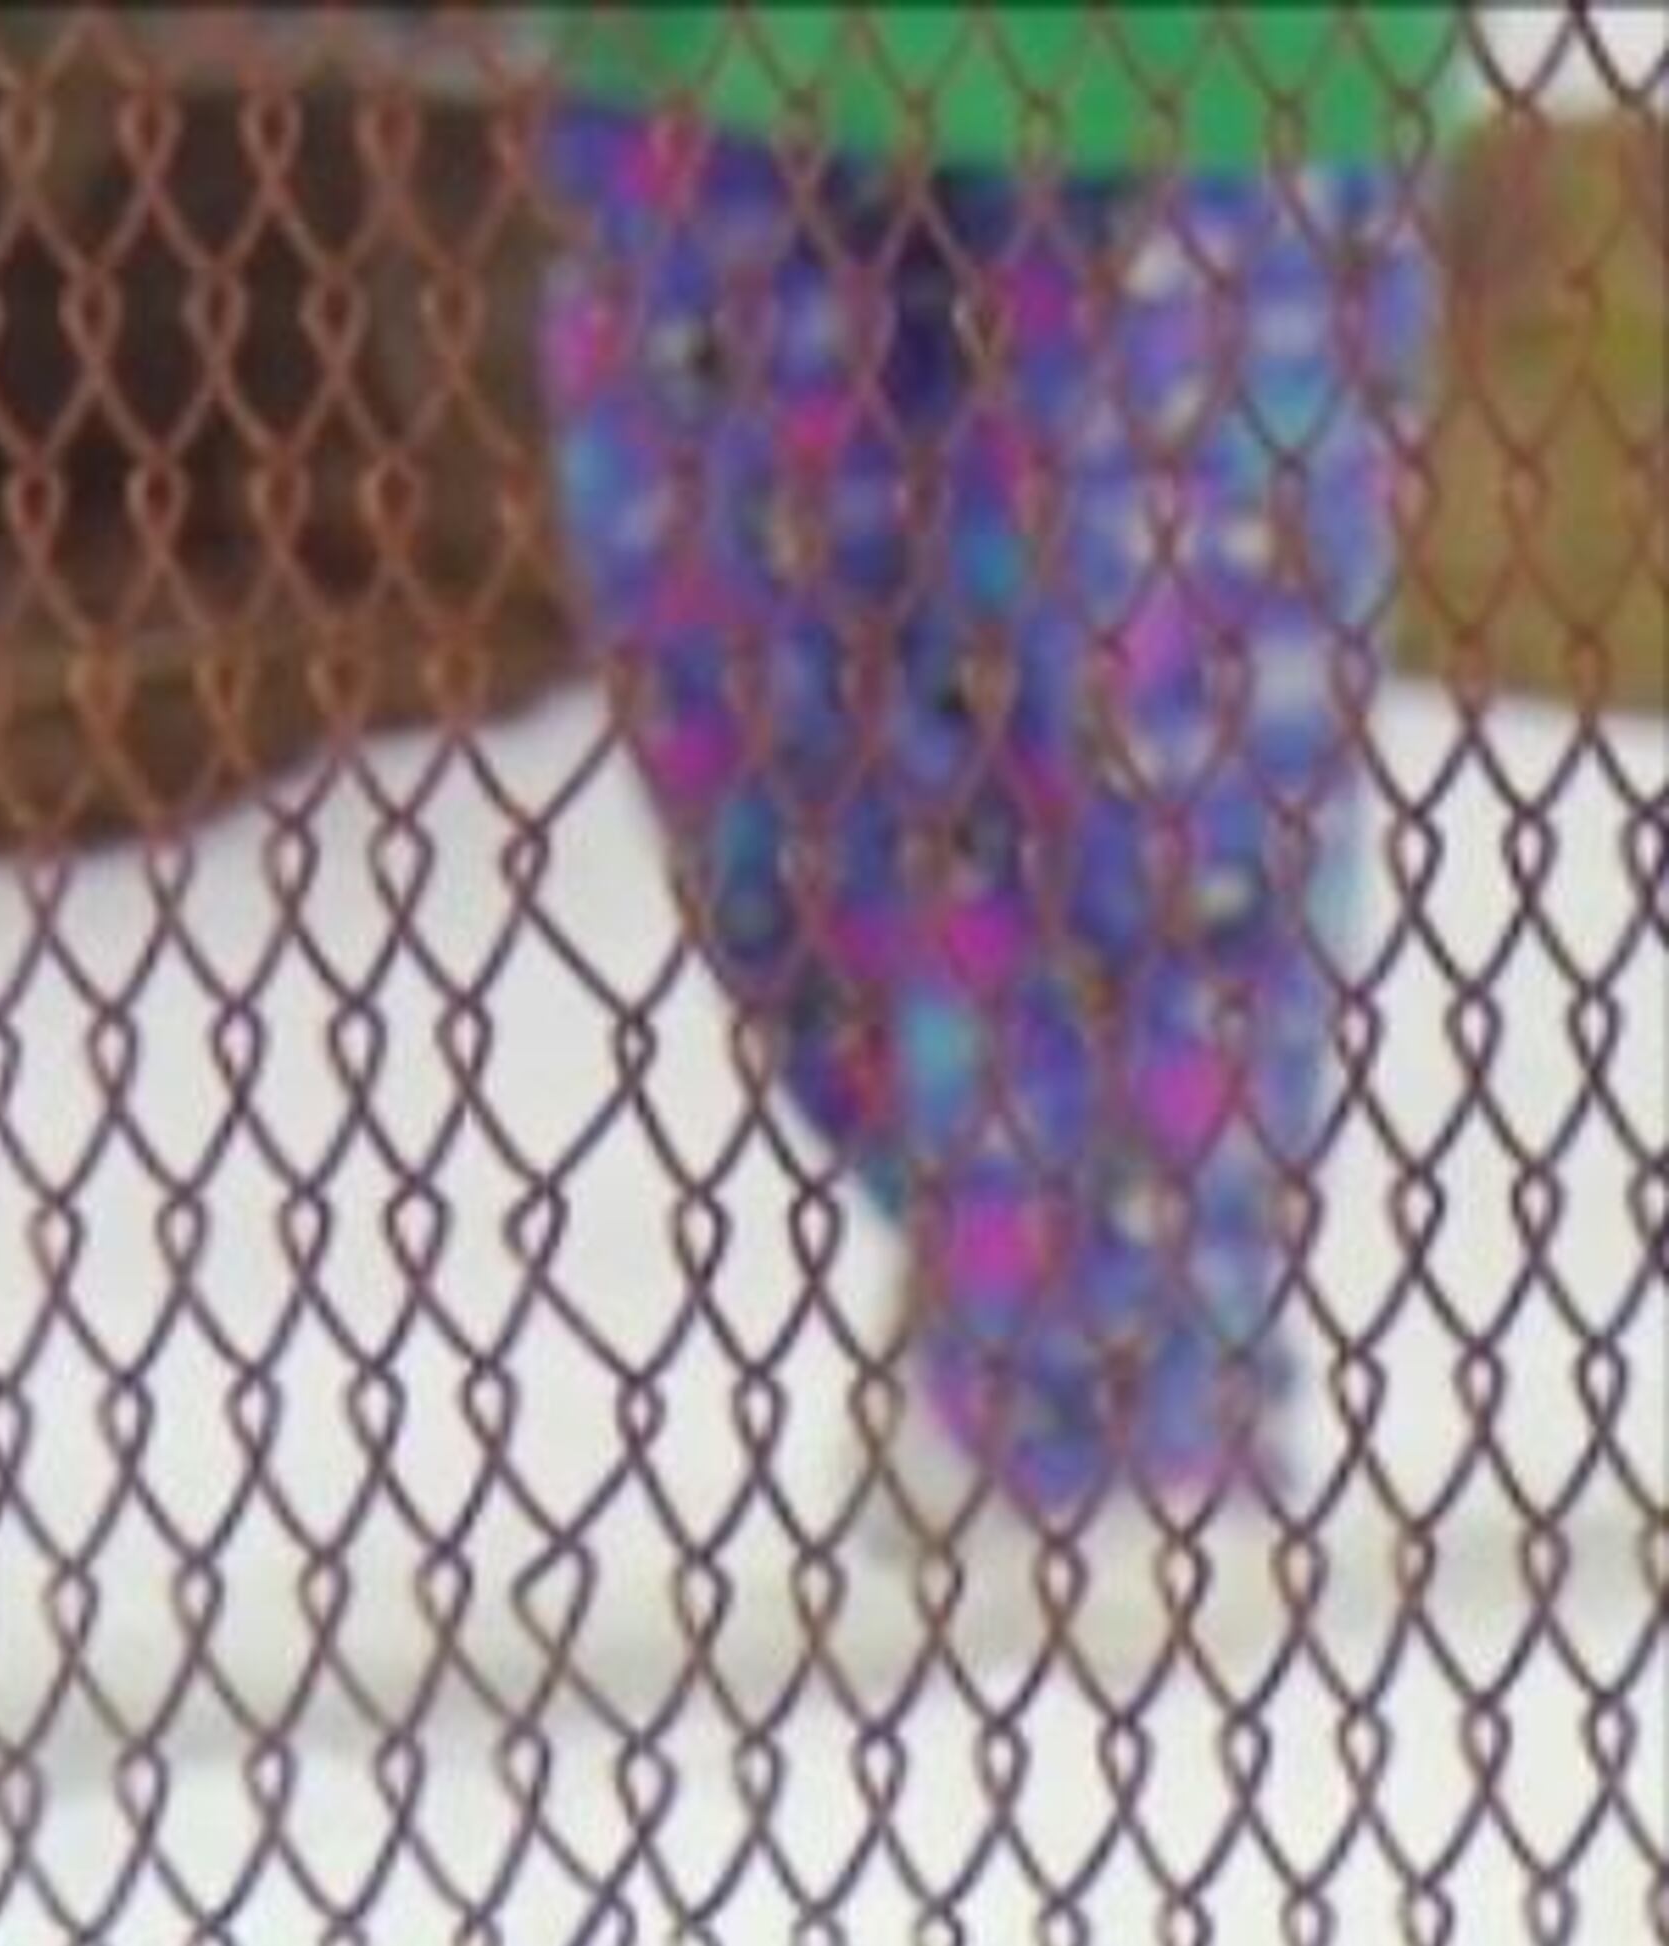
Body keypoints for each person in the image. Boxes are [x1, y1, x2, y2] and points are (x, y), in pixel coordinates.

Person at [527, 10, 1463, 1545]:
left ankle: (1112, 1420)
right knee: (745, 684)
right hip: (704, 55)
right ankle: (1018, 1275)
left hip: (1225, 65)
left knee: (1172, 739)